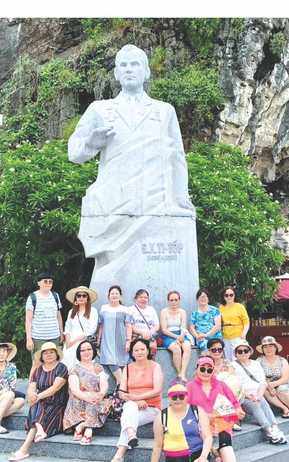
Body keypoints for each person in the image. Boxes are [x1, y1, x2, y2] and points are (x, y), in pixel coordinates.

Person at [68, 44, 199, 305]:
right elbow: (74, 152)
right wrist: (92, 143)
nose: (129, 70)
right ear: (115, 74)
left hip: (155, 202)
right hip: (114, 205)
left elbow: (177, 159)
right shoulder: (100, 110)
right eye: (123, 65)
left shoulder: (164, 111)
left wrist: (181, 199)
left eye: (135, 64)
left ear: (147, 72)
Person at [145, 383, 215, 462]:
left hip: (198, 454)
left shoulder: (196, 410)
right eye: (174, 397)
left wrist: (204, 456)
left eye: (181, 397)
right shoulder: (162, 416)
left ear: (186, 397)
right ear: (169, 398)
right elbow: (158, 445)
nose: (178, 400)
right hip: (175, 459)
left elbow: (208, 437)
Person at [186, 357, 248, 462]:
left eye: (209, 369)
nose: (206, 372)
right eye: (202, 369)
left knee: (225, 442)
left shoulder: (221, 384)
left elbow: (234, 402)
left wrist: (238, 410)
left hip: (222, 422)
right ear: (196, 369)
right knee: (206, 434)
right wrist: (202, 415)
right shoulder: (189, 387)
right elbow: (184, 409)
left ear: (213, 371)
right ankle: (217, 456)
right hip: (200, 423)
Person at [105, 337, 164, 462]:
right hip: (133, 405)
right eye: (136, 350)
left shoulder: (155, 366)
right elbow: (122, 392)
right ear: (131, 353)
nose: (139, 352)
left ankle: (119, 456)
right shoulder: (128, 368)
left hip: (152, 408)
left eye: (142, 349)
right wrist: (135, 401)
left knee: (128, 415)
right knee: (130, 407)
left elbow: (157, 390)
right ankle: (131, 437)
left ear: (148, 351)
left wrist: (137, 397)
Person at [9, 342, 69, 462]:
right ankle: (37, 433)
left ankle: (25, 448)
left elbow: (56, 387)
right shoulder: (37, 370)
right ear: (41, 356)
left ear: (56, 354)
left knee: (35, 412)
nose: (49, 355)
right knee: (36, 408)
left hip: (56, 403)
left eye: (52, 352)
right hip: (41, 402)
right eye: (45, 353)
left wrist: (37, 397)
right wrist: (32, 394)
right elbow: (31, 387)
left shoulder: (61, 367)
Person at [232, 341, 286, 444]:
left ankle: (275, 427)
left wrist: (258, 396)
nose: (243, 353)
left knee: (264, 403)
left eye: (245, 350)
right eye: (240, 351)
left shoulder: (256, 364)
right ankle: (269, 431)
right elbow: (235, 385)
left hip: (257, 394)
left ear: (250, 352)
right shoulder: (232, 365)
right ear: (236, 353)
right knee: (256, 405)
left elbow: (262, 382)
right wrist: (248, 396)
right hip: (242, 396)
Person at [63, 340, 109, 445]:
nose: (86, 352)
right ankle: (89, 429)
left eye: (89, 349)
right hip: (79, 401)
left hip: (96, 399)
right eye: (83, 350)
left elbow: (104, 383)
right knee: (91, 400)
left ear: (93, 351)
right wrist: (88, 397)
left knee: (107, 402)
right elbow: (74, 389)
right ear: (79, 353)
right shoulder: (74, 369)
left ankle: (83, 425)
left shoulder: (98, 367)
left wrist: (101, 394)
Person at [25, 272, 63, 379]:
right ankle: (32, 390)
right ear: (39, 283)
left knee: (54, 363)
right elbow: (28, 319)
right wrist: (29, 339)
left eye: (50, 282)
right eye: (45, 281)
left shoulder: (55, 296)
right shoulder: (33, 297)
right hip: (38, 337)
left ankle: (50, 388)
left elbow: (59, 316)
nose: (48, 284)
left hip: (54, 335)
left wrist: (61, 333)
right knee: (37, 363)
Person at [97, 285, 133, 387]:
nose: (114, 295)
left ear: (120, 296)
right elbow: (101, 325)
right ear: (108, 296)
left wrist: (128, 340)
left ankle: (119, 392)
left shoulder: (125, 309)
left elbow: (129, 326)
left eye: (116, 293)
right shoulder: (104, 308)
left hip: (121, 339)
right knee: (110, 360)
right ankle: (125, 386)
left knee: (121, 363)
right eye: (112, 293)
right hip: (107, 339)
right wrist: (99, 338)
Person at [206, 338, 244, 432]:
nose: (217, 352)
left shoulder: (227, 363)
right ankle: (230, 420)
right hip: (211, 390)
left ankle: (231, 419)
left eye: (220, 349)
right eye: (214, 350)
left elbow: (231, 377)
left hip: (227, 390)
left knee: (231, 388)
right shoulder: (205, 363)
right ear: (209, 351)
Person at [256, 336, 289, 418]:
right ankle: (284, 408)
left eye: (271, 346)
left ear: (276, 348)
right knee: (264, 390)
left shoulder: (282, 360)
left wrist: (273, 385)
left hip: (280, 383)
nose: (268, 349)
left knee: (282, 389)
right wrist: (270, 387)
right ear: (262, 349)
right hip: (265, 385)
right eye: (265, 347)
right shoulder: (258, 361)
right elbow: (259, 377)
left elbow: (285, 378)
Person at [62, 286, 99, 369]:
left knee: (82, 361)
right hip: (70, 341)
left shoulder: (93, 311)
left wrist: (75, 341)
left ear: (87, 298)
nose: (81, 297)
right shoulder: (71, 311)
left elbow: (91, 329)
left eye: (84, 295)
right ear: (76, 298)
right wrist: (67, 340)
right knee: (67, 362)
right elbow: (67, 327)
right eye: (79, 295)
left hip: (84, 340)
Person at [160, 291, 192, 383]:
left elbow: (183, 326)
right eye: (172, 300)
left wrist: (181, 337)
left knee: (187, 346)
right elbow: (164, 329)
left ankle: (183, 372)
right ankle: (179, 373)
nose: (174, 302)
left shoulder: (182, 312)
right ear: (168, 301)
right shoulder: (164, 312)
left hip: (181, 334)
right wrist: (176, 337)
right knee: (176, 349)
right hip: (168, 335)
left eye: (176, 300)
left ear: (179, 300)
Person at [219, 286, 249, 360]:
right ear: (223, 296)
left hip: (237, 336)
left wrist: (244, 334)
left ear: (234, 295)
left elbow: (246, 321)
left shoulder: (240, 307)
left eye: (231, 295)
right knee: (227, 359)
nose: (229, 297)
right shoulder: (221, 307)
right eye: (226, 295)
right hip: (225, 336)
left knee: (236, 358)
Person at [188, 289, 222, 353]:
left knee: (215, 347)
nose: (202, 299)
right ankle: (207, 361)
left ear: (208, 299)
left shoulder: (215, 310)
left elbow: (218, 326)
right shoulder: (194, 312)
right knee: (203, 344)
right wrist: (198, 336)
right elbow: (191, 328)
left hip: (214, 336)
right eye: (200, 297)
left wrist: (206, 335)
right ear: (197, 299)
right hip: (200, 338)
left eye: (205, 297)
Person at [128, 289, 160, 356]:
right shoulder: (130, 309)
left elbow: (157, 325)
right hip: (136, 336)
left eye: (145, 297)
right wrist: (142, 333)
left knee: (152, 354)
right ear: (136, 299)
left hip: (150, 336)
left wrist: (149, 333)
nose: (143, 299)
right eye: (140, 297)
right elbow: (129, 325)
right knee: (138, 355)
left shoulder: (151, 309)